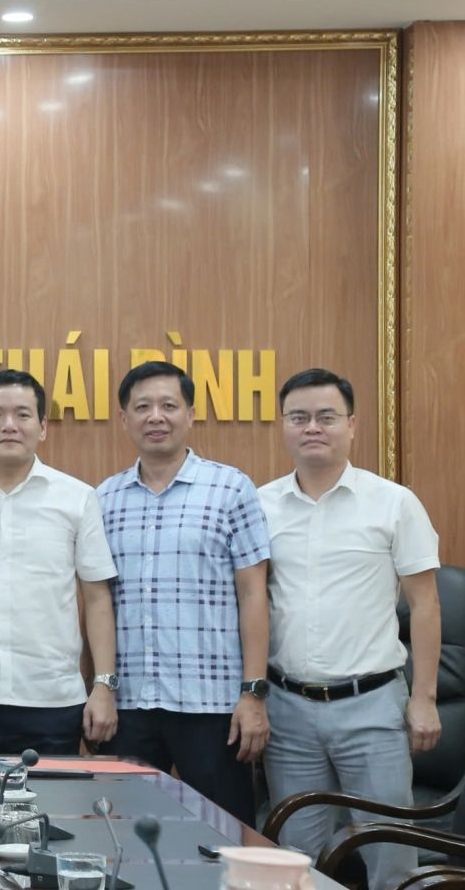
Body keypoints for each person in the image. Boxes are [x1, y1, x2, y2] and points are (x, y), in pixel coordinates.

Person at [259, 368, 441, 890]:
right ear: (284, 426)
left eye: (326, 417)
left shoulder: (393, 502)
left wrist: (424, 698)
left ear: (352, 425)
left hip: (372, 707)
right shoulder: (260, 505)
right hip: (288, 710)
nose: (312, 427)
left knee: (391, 859)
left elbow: (425, 605)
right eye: (299, 417)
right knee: (295, 861)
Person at [97, 360, 271, 825]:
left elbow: (254, 594)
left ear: (190, 414)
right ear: (124, 419)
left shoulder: (231, 489)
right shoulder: (105, 499)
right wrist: (101, 687)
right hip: (130, 704)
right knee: (127, 837)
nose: (156, 416)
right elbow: (96, 603)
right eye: (143, 407)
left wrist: (253, 694)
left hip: (213, 706)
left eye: (168, 405)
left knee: (225, 837)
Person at [0, 369, 118, 755]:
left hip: (53, 700)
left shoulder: (77, 498)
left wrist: (102, 685)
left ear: (43, 427)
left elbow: (97, 598)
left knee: (50, 796)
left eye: (23, 414)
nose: (9, 425)